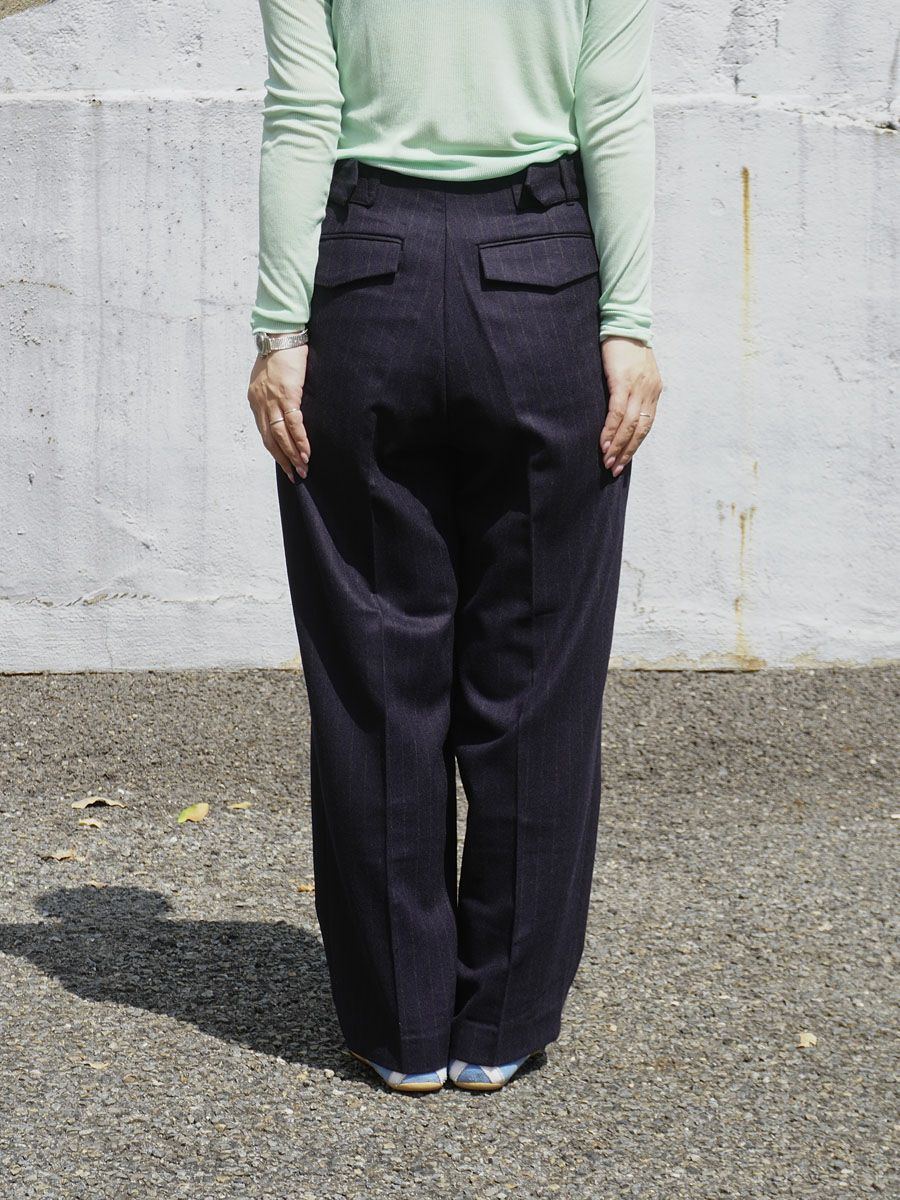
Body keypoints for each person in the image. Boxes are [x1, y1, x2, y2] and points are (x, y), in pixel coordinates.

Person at [246, 0, 663, 1095]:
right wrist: (628, 322)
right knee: (539, 676)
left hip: (366, 277)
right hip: (543, 278)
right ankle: (501, 1022)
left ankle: (402, 1026)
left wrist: (280, 331)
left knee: (376, 670)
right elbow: (612, 111)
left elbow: (303, 113)